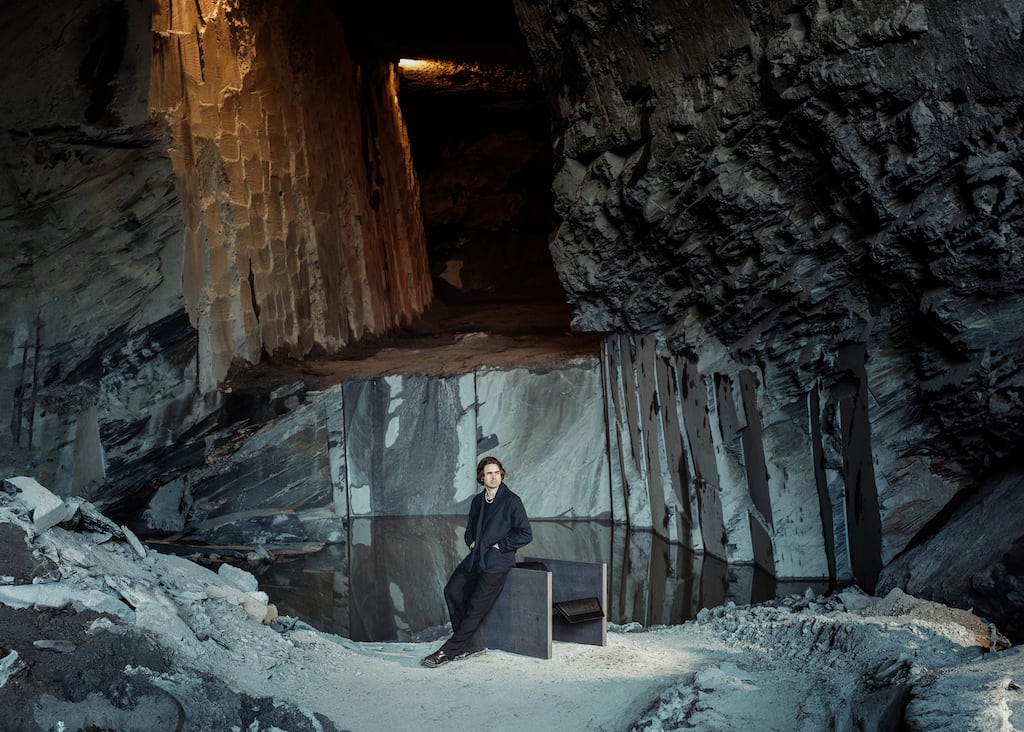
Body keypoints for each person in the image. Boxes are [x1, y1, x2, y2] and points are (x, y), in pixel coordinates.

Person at [421, 456, 532, 668]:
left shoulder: (511, 501)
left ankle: (447, 651)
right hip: (477, 557)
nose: (493, 477)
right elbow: (470, 529)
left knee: (475, 609)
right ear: (481, 477)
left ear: (502, 475)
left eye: (497, 473)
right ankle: (471, 643)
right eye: (489, 473)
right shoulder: (478, 501)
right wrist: (471, 542)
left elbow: (525, 534)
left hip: (497, 563)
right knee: (452, 591)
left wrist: (501, 546)